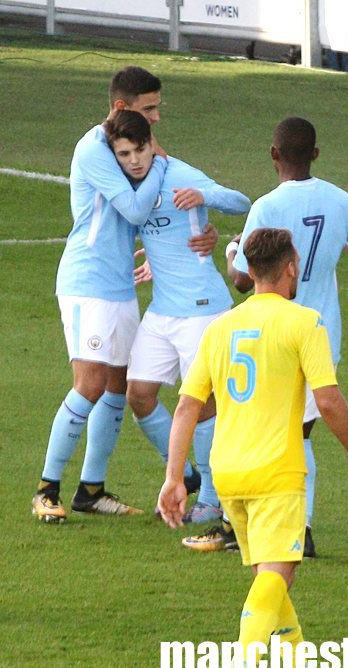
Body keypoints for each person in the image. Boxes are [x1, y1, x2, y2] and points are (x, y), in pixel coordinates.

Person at [158, 228, 348, 668]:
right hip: (277, 473)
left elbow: (188, 406)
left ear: (249, 272)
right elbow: (328, 400)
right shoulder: (304, 323)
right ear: (291, 266)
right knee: (279, 573)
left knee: (268, 580)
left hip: (229, 474)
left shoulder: (220, 328)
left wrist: (174, 476)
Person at [185, 116, 348, 556]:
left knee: (268, 434)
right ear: (315, 154)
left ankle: (268, 527)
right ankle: (293, 528)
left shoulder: (266, 207)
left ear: (273, 155)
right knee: (297, 435)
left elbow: (242, 281)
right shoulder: (338, 199)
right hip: (322, 333)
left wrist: (233, 250)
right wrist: (342, 246)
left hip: (273, 334)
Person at [32, 67, 216, 523]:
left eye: (157, 109)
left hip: (119, 284)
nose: (155, 119)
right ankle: (45, 488)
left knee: (121, 386)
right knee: (91, 382)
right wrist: (160, 162)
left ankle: (91, 488)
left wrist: (202, 232)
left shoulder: (138, 151)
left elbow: (160, 209)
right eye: (148, 109)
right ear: (120, 108)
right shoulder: (95, 148)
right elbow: (135, 205)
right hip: (87, 280)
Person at [103, 110, 251, 524]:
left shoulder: (181, 175)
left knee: (202, 404)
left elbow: (243, 204)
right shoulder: (127, 188)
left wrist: (206, 199)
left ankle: (213, 496)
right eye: (125, 154)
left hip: (202, 310)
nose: (134, 161)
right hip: (162, 310)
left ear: (153, 146)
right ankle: (184, 476)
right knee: (139, 393)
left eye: (140, 151)